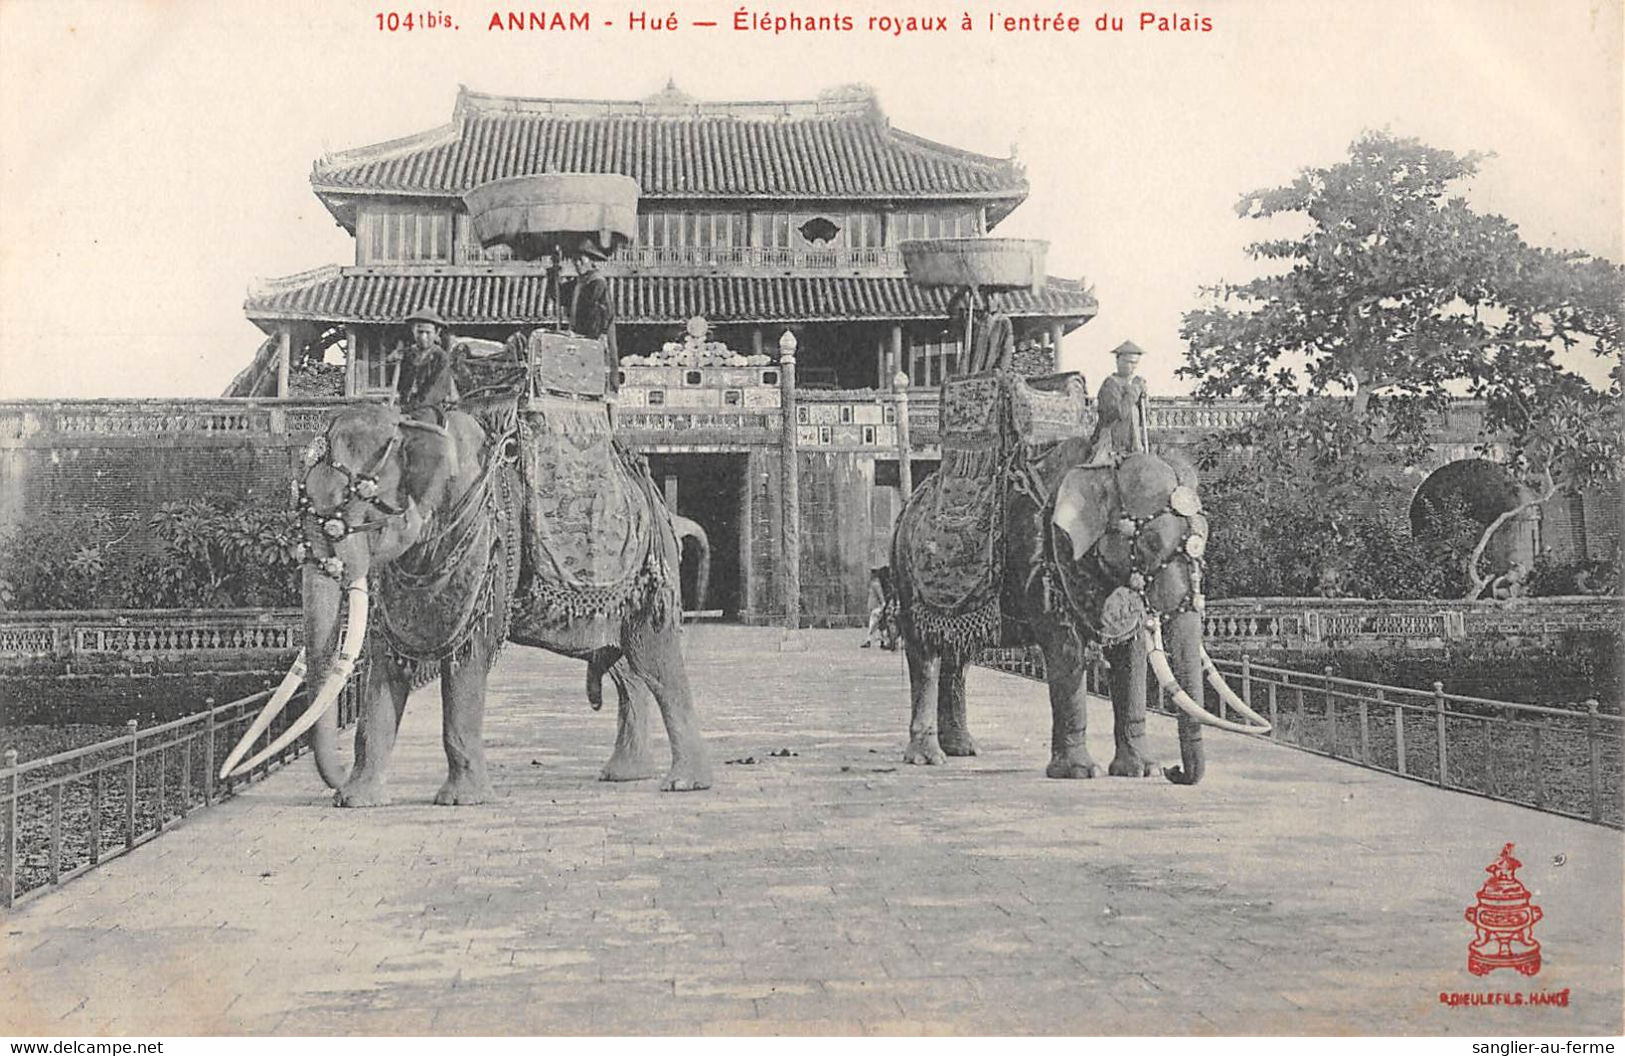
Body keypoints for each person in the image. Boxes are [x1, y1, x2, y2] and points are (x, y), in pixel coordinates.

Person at [388, 306, 460, 419]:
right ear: (413, 331)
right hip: (404, 406)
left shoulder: (441, 358)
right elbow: (399, 384)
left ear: (437, 332)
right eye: (419, 332)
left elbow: (433, 393)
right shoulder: (407, 354)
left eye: (428, 332)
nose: (423, 337)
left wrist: (407, 409)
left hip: (429, 408)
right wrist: (392, 362)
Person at [1085, 340, 1150, 464]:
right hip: (1111, 443)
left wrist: (1144, 397)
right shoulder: (1110, 384)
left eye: (1136, 363)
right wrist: (1134, 390)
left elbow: (1141, 416)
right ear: (1118, 361)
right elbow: (1119, 413)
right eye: (1129, 362)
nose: (1133, 367)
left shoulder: (1134, 383)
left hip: (1134, 442)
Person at [567, 249, 619, 393]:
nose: (577, 264)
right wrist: (553, 275)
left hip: (595, 333)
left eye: (581, 260)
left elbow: (599, 311)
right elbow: (561, 295)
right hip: (581, 334)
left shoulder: (597, 282)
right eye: (574, 260)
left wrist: (592, 333)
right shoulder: (578, 283)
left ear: (590, 261)